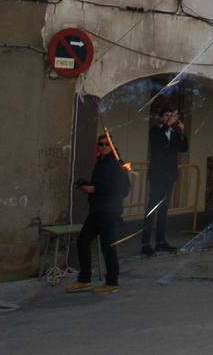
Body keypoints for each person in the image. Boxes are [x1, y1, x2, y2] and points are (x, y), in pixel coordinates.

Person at [66, 135, 131, 295]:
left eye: (106, 144)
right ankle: (84, 279)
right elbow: (100, 184)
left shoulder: (118, 164)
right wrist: (87, 186)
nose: (103, 147)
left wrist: (95, 189)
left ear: (113, 146)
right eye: (100, 144)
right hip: (97, 209)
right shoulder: (100, 163)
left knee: (107, 246)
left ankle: (112, 282)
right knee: (83, 240)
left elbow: (123, 190)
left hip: (110, 211)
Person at [141, 105, 187, 255]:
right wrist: (167, 125)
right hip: (157, 175)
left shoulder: (174, 132)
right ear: (161, 117)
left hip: (169, 175)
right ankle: (145, 243)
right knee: (151, 208)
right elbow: (156, 144)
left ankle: (160, 241)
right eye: (166, 115)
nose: (169, 117)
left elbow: (183, 148)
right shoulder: (155, 130)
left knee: (163, 209)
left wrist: (182, 131)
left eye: (171, 115)